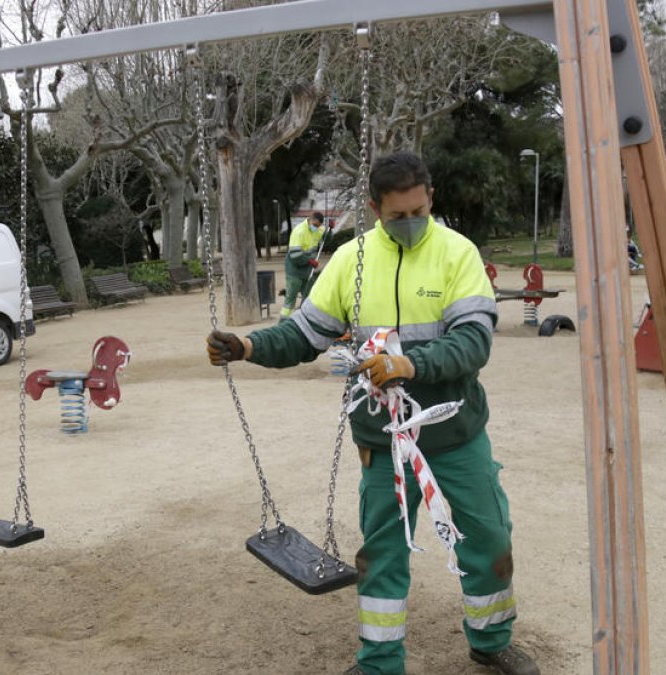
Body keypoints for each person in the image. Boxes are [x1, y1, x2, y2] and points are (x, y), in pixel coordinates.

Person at [206, 151, 538, 675]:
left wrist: (409, 363)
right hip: (383, 442)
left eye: (418, 212)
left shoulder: (457, 254)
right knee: (382, 552)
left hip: (454, 436)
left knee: (488, 538)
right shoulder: (350, 261)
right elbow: (304, 334)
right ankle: (380, 662)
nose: (410, 223)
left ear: (431, 198)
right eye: (397, 215)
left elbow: (473, 342)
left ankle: (491, 639)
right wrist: (247, 347)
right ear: (374, 208)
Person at [281, 211, 328, 319]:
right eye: (315, 225)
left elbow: (326, 239)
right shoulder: (299, 231)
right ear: (310, 220)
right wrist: (309, 261)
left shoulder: (318, 229)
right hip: (294, 271)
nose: (316, 228)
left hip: (307, 271)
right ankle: (283, 322)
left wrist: (329, 231)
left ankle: (303, 320)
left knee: (309, 297)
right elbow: (295, 255)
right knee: (291, 299)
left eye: (318, 226)